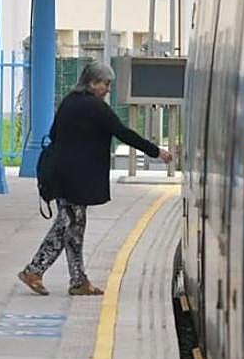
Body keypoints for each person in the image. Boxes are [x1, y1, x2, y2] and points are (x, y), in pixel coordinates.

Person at [18, 61, 172, 296]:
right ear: (92, 83)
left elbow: (53, 134)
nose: (108, 89)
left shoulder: (69, 101)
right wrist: (156, 152)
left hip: (62, 174)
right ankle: (34, 270)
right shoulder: (95, 107)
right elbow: (123, 133)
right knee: (67, 225)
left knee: (74, 227)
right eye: (105, 84)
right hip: (77, 177)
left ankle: (78, 281)